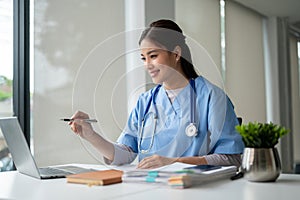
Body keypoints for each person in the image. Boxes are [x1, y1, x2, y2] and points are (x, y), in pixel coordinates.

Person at [69, 19, 244, 169]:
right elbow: (127, 154)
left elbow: (231, 158)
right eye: (143, 58)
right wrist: (91, 136)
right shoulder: (145, 101)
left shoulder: (212, 97)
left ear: (176, 53)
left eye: (153, 56)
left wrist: (174, 162)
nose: (147, 65)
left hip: (194, 191)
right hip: (151, 188)